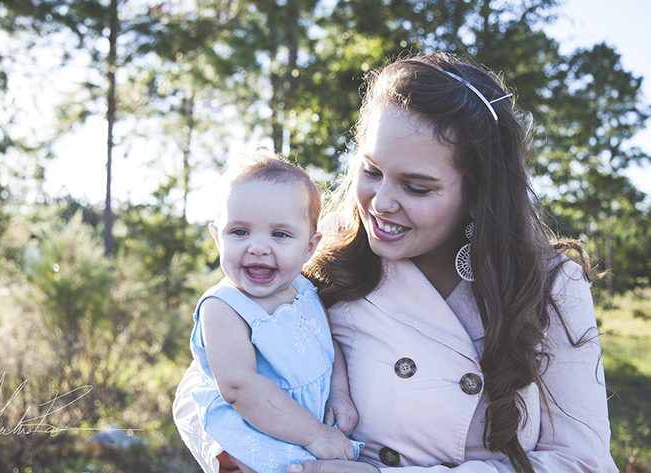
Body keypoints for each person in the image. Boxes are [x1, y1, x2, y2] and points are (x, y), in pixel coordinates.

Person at [174, 52, 618, 472]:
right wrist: (244, 456)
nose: (381, 203)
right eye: (371, 171)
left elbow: (583, 462)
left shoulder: (549, 284)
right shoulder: (319, 249)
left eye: (417, 188)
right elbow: (204, 387)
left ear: (480, 194)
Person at [180, 147, 363, 473]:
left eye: (280, 234)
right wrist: (315, 434)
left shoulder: (305, 290)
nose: (259, 247)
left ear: (309, 247)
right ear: (217, 238)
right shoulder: (223, 308)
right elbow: (240, 387)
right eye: (240, 231)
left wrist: (339, 394)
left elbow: (326, 343)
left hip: (311, 433)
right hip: (260, 436)